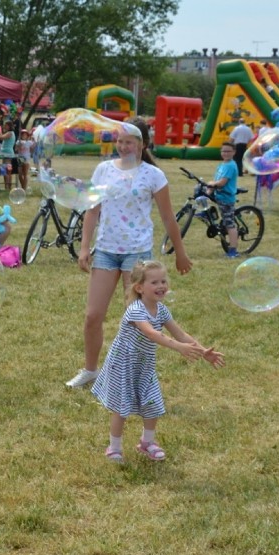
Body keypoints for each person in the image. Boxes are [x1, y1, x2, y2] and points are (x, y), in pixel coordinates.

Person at [66, 118, 193, 388]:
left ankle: (134, 378)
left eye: (129, 141)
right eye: (120, 141)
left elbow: (168, 217)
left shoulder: (153, 175)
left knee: (137, 321)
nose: (123, 146)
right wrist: (85, 246)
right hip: (106, 252)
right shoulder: (103, 170)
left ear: (142, 144)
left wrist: (180, 253)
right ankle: (90, 371)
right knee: (92, 316)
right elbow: (92, 210)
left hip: (137, 256)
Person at [90, 260, 224, 463]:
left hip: (144, 366)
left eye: (163, 281)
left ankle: (147, 443)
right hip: (123, 366)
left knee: (152, 404)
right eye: (154, 282)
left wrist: (203, 351)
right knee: (121, 409)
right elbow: (151, 333)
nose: (161, 286)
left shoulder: (161, 310)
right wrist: (178, 348)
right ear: (139, 288)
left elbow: (180, 333)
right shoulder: (135, 309)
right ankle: (114, 448)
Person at [205, 141, 241, 258]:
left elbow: (221, 183)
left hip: (226, 198)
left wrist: (212, 185)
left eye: (228, 151)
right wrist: (209, 190)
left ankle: (233, 250)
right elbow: (216, 180)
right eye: (223, 151)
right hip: (219, 196)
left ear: (234, 152)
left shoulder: (231, 165)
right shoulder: (222, 165)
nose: (225, 153)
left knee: (229, 223)